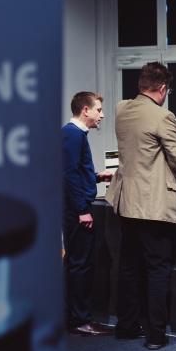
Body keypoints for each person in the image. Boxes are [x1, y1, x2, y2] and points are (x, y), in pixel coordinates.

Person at [106, 62, 176, 350]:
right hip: (153, 205)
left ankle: (126, 327)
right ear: (162, 88)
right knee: (158, 269)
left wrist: (173, 127)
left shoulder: (122, 109)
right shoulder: (163, 116)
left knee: (129, 267)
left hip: (126, 202)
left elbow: (144, 128)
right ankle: (156, 336)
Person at [62, 91, 114, 336]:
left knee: (78, 263)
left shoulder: (75, 134)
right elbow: (68, 175)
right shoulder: (73, 134)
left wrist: (96, 177)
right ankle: (79, 320)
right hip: (76, 211)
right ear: (85, 110)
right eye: (98, 110)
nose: (101, 115)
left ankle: (75, 317)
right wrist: (83, 210)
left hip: (75, 207)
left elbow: (76, 172)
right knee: (80, 264)